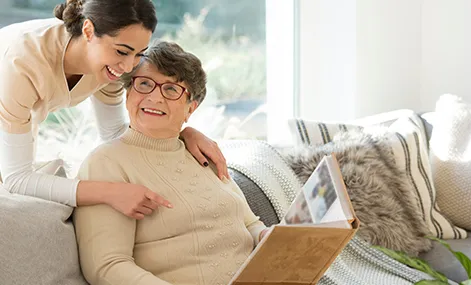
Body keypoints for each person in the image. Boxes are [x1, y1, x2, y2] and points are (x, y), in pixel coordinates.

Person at [0, 0, 228, 220]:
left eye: (139, 53)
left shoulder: (108, 69)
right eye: (122, 51)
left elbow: (114, 134)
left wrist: (180, 133)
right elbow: (17, 179)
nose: (129, 67)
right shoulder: (23, 64)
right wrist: (111, 192)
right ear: (88, 31)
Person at [73, 40, 269, 285]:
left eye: (171, 89)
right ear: (128, 94)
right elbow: (107, 266)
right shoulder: (106, 163)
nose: (155, 97)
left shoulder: (202, 153)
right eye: (144, 84)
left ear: (190, 109)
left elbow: (249, 223)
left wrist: (266, 236)